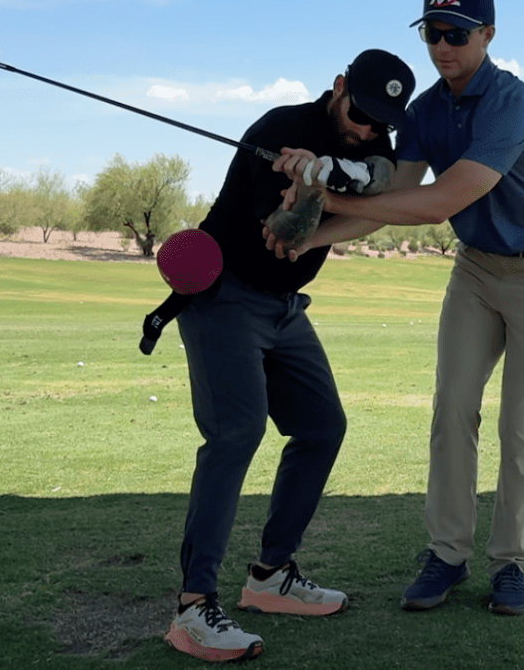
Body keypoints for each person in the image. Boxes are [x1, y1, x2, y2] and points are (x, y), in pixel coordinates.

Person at [268, 0, 524, 616]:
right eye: (432, 34)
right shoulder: (424, 113)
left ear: (487, 35)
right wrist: (314, 236)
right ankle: (446, 555)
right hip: (476, 267)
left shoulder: (512, 105)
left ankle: (510, 565)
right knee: (451, 412)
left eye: (456, 34)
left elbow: (441, 201)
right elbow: (392, 197)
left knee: (521, 423)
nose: (442, 47)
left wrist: (324, 194)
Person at [164, 49, 416, 663]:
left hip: (284, 308)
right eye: (358, 113)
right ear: (337, 88)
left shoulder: (360, 144)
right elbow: (287, 233)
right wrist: (308, 182)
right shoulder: (278, 131)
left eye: (379, 124)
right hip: (224, 297)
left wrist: (332, 167)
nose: (365, 129)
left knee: (322, 427)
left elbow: (389, 179)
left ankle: (271, 575)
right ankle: (193, 609)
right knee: (236, 434)